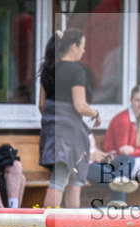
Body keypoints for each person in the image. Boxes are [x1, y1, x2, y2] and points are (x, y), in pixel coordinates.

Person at [38, 28, 100, 209]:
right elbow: (80, 105)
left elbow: (41, 105)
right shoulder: (76, 71)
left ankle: (71, 226)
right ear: (74, 47)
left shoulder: (48, 69)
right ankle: (48, 224)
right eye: (82, 46)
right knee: (62, 182)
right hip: (69, 135)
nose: (84, 51)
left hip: (52, 132)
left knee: (73, 180)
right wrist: (96, 114)